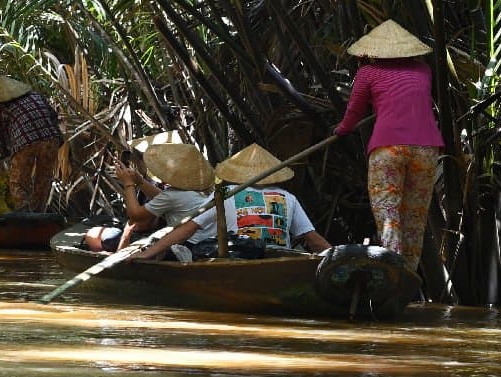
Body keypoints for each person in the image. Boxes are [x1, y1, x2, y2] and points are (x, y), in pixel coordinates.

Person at [334, 19, 443, 263]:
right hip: (426, 149)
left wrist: (341, 131)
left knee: (388, 214)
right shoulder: (423, 70)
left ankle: (394, 269)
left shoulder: (367, 72)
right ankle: (408, 273)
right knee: (415, 218)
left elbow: (354, 113)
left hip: (388, 148)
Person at [133, 143, 331, 261]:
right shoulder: (288, 197)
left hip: (241, 257)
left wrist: (148, 253)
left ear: (239, 173)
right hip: (279, 258)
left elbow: (187, 229)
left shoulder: (226, 193)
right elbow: (314, 241)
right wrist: (336, 257)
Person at [85, 141, 213, 252]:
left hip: (184, 245)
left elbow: (135, 215)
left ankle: (109, 257)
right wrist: (139, 181)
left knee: (93, 235)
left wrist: (128, 183)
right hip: (205, 242)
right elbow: (163, 197)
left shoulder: (173, 195)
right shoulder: (205, 189)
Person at [0, 76, 63, 212]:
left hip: (26, 143)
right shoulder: (36, 96)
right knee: (43, 179)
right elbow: (53, 116)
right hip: (51, 140)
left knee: (18, 183)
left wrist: (4, 153)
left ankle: (25, 212)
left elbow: (0, 135)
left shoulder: (2, 107)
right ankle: (38, 212)